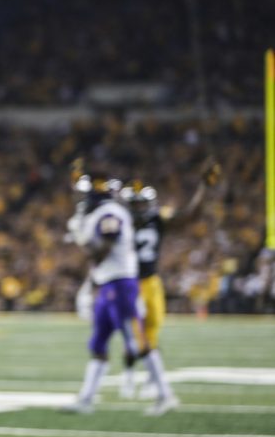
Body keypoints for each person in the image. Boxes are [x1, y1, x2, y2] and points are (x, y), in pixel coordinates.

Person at [117, 159, 221, 402]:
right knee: (136, 337)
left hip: (152, 282)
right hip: (130, 283)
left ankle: (151, 381)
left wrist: (204, 188)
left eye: (143, 203)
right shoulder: (118, 223)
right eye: (136, 203)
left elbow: (188, 216)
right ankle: (131, 375)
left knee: (152, 332)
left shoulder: (157, 218)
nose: (141, 208)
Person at [62, 172, 154, 414]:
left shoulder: (110, 213)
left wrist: (83, 242)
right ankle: (86, 400)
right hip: (107, 282)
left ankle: (163, 393)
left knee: (135, 341)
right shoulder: (98, 214)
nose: (81, 200)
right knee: (98, 343)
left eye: (84, 194)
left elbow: (103, 248)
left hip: (120, 282)